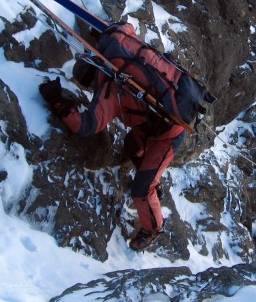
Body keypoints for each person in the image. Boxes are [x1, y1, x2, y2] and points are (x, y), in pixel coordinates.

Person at [38, 54, 186, 251]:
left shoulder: (111, 92)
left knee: (141, 190)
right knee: (132, 146)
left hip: (168, 134)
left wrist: (56, 99)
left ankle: (153, 229)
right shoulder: (120, 62)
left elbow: (85, 125)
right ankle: (149, 176)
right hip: (158, 123)